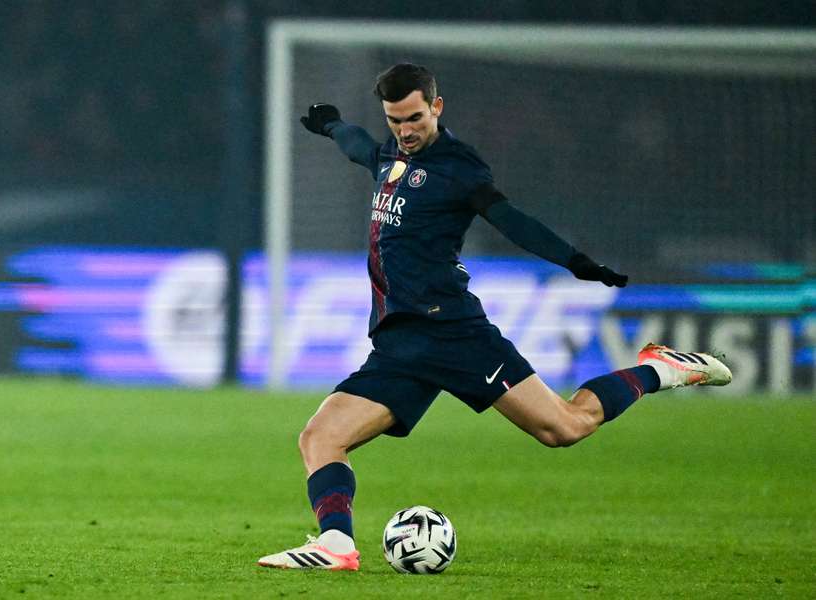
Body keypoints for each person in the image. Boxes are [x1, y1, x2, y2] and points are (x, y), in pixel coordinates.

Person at [257, 63, 731, 571]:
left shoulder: (460, 166)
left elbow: (513, 222)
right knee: (320, 436)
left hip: (455, 333)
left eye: (415, 118)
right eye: (395, 121)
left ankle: (661, 368)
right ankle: (336, 546)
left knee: (564, 427)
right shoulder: (392, 152)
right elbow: (363, 150)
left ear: (436, 107)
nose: (406, 131)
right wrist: (331, 125)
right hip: (400, 343)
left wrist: (577, 262)